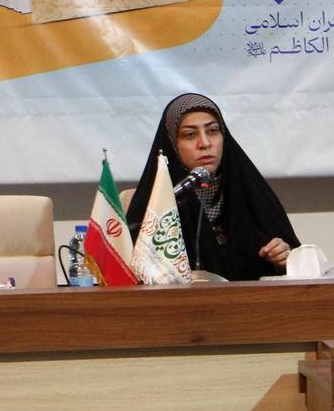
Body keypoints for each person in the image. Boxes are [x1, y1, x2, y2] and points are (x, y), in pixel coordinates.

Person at [125, 92, 298, 281]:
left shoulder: (249, 190)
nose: (205, 143)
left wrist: (284, 260)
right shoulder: (157, 203)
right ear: (173, 143)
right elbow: (136, 271)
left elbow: (298, 264)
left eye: (213, 131)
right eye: (190, 135)